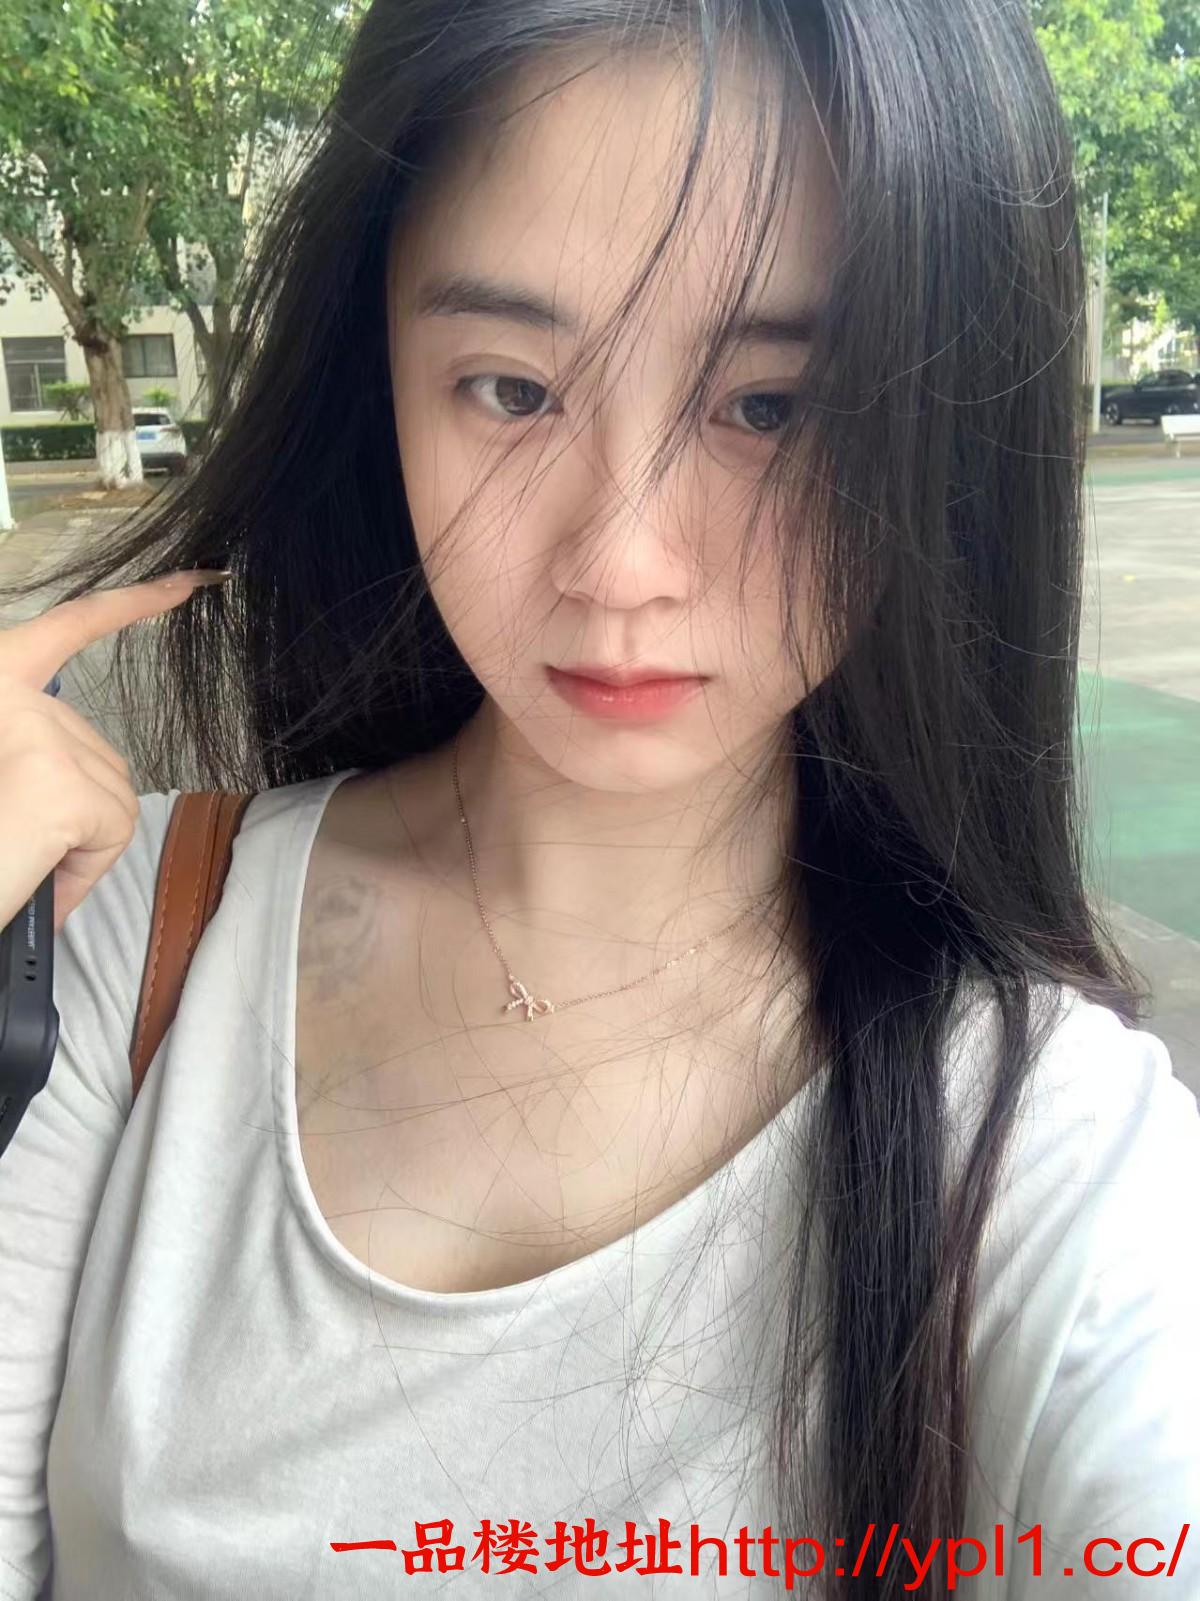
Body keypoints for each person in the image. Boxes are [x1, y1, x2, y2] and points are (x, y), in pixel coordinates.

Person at [0, 1, 1197, 1597]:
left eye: (769, 407)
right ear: (382, 375)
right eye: (510, 388)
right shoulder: (121, 931)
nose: (621, 563)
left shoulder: (1047, 1146)